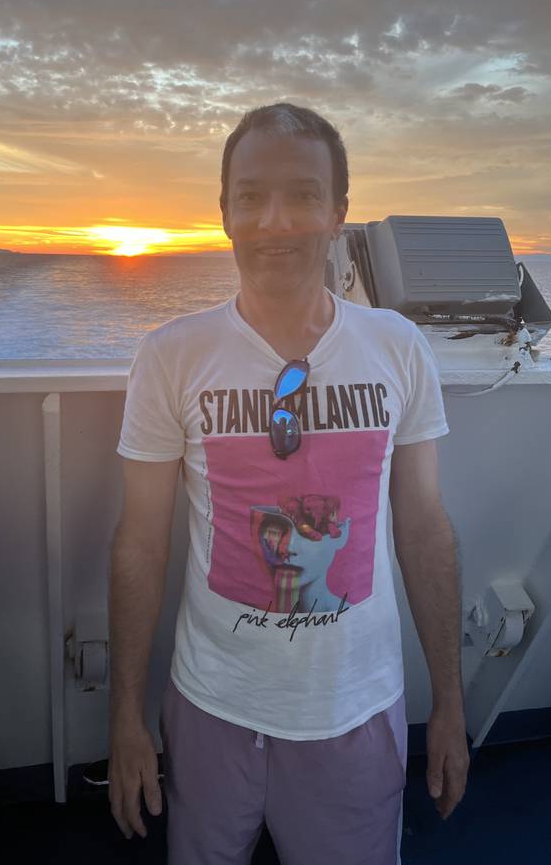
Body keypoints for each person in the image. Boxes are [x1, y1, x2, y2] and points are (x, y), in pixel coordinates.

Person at [107, 102, 470, 864]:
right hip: (211, 706)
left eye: (304, 194)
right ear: (226, 214)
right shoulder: (172, 355)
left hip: (358, 710)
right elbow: (140, 542)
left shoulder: (396, 348)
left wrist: (449, 705)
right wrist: (127, 719)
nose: (276, 220)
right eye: (252, 195)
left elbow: (424, 528)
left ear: (339, 212)